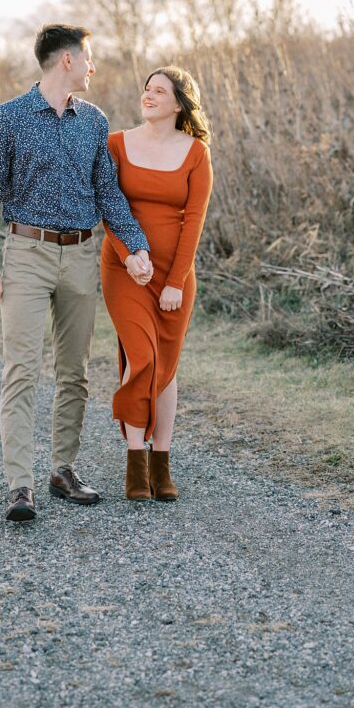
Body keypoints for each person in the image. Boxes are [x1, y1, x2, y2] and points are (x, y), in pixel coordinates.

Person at [0, 24, 153, 522]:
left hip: (82, 255)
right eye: (88, 58)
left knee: (74, 372)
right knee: (21, 369)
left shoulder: (94, 121)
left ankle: (62, 470)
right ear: (66, 60)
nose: (94, 67)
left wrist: (133, 245)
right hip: (26, 253)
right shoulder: (7, 119)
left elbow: (108, 193)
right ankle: (19, 486)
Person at [101, 65, 213, 501]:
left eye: (159, 91)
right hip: (124, 271)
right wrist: (131, 257)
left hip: (172, 276)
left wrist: (176, 281)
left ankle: (161, 463)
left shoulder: (196, 152)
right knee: (140, 356)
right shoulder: (115, 144)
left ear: (179, 103)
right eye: (146, 89)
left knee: (164, 368)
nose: (148, 95)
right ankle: (135, 461)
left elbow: (195, 220)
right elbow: (108, 206)